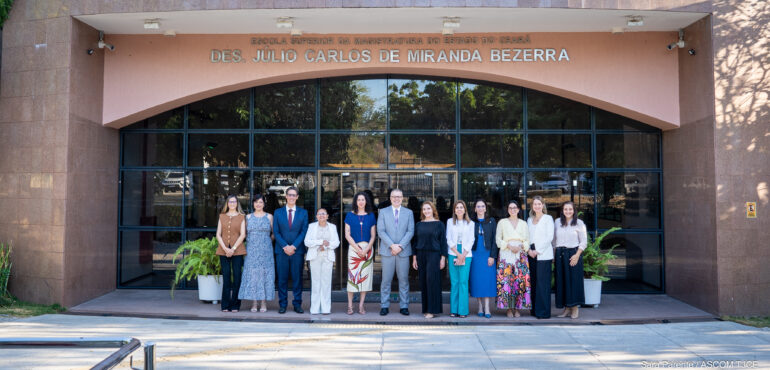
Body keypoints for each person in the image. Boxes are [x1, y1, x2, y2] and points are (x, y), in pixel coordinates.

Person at [377, 188, 415, 316]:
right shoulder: (383, 212)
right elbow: (381, 231)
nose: (396, 199)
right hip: (388, 251)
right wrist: (392, 246)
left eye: (399, 196)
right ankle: (384, 305)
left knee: (403, 280)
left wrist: (400, 246)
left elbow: (410, 231)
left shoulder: (409, 213)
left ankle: (404, 306)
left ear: (402, 198)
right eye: (394, 196)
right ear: (390, 198)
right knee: (386, 280)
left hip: (403, 251)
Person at [273, 186, 309, 314]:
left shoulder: (303, 213)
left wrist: (293, 246)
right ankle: (282, 304)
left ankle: (297, 304)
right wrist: (285, 246)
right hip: (281, 251)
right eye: (290, 195)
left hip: (297, 251)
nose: (292, 197)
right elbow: (276, 231)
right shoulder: (278, 212)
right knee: (282, 279)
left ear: (297, 197)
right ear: (286, 196)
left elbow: (304, 231)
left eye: (294, 195)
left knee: (297, 279)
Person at [495, 200, 531, 318]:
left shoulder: (524, 223)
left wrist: (520, 247)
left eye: (515, 208)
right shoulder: (502, 222)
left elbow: (527, 240)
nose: (513, 210)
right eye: (510, 208)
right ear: (508, 210)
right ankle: (509, 308)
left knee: (519, 282)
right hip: (506, 254)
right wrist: (509, 246)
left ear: (518, 209)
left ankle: (518, 308)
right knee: (507, 282)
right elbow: (498, 240)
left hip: (520, 255)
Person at [239, 194, 275, 313]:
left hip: (266, 251)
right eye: (256, 202)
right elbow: (243, 234)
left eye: (260, 202)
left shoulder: (269, 217)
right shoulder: (247, 217)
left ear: (264, 204)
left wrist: (267, 241)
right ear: (253, 204)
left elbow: (274, 233)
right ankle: (254, 302)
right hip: (251, 251)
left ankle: (263, 302)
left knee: (264, 275)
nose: (258, 204)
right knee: (253, 276)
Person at [412, 201, 448, 319]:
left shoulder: (439, 224)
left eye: (428, 208)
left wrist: (443, 258)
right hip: (421, 255)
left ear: (433, 210)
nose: (426, 211)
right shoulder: (419, 225)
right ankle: (426, 308)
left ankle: (432, 310)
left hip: (434, 255)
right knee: (423, 282)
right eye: (424, 209)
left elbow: (443, 242)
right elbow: (415, 242)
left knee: (432, 281)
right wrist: (414, 258)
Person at [553, 201, 588, 319]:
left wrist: (577, 255)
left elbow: (584, 242)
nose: (568, 211)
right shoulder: (557, 222)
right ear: (562, 211)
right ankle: (566, 308)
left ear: (574, 210)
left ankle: (575, 308)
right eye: (565, 209)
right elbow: (554, 241)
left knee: (573, 282)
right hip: (559, 254)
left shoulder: (579, 223)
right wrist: (554, 256)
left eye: (570, 209)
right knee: (562, 282)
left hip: (573, 254)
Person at [344, 192, 376, 315]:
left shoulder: (371, 216)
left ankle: (361, 305)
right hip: (354, 249)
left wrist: (367, 249)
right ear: (355, 202)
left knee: (365, 279)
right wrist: (357, 249)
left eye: (363, 199)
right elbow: (347, 235)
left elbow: (373, 235)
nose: (361, 202)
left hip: (367, 249)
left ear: (366, 201)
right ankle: (350, 305)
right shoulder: (349, 215)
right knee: (352, 278)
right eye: (359, 200)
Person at [305, 208, 340, 315]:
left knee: (326, 283)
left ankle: (326, 308)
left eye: (324, 214)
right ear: (316, 216)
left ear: (327, 216)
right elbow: (307, 242)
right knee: (316, 283)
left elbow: (336, 242)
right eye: (319, 214)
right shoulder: (311, 226)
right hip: (315, 256)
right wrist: (320, 242)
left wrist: (326, 245)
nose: (321, 216)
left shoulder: (332, 227)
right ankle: (314, 309)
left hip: (327, 257)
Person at [216, 194, 246, 313]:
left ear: (237, 203)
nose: (232, 204)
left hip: (237, 250)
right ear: (227, 204)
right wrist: (225, 248)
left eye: (234, 202)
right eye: (230, 202)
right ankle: (225, 304)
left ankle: (235, 305)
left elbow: (242, 235)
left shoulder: (241, 217)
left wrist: (232, 249)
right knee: (226, 277)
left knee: (237, 278)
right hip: (223, 251)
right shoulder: (222, 216)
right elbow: (218, 234)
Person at [469, 198, 498, 318]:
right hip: (475, 255)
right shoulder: (471, 222)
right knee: (477, 281)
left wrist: (492, 256)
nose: (480, 208)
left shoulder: (491, 221)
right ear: (475, 209)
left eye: (482, 206)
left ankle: (487, 307)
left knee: (487, 281)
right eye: (478, 206)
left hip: (487, 255)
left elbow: (495, 240)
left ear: (486, 208)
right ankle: (480, 306)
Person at [445, 200, 475, 318]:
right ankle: (454, 310)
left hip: (466, 255)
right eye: (457, 207)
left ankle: (462, 311)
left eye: (461, 207)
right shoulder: (450, 222)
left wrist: (463, 255)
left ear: (465, 209)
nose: (459, 209)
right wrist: (458, 254)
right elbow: (448, 239)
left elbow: (471, 240)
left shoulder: (470, 223)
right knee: (454, 282)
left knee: (463, 282)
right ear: (454, 210)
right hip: (453, 253)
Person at [527, 196, 555, 319]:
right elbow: (527, 236)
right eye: (535, 204)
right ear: (532, 206)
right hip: (531, 254)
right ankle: (534, 310)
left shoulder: (548, 218)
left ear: (543, 205)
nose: (537, 206)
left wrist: (538, 251)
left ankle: (543, 312)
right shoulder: (529, 220)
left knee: (542, 284)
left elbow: (549, 237)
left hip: (543, 254)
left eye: (539, 204)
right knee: (533, 283)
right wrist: (529, 250)